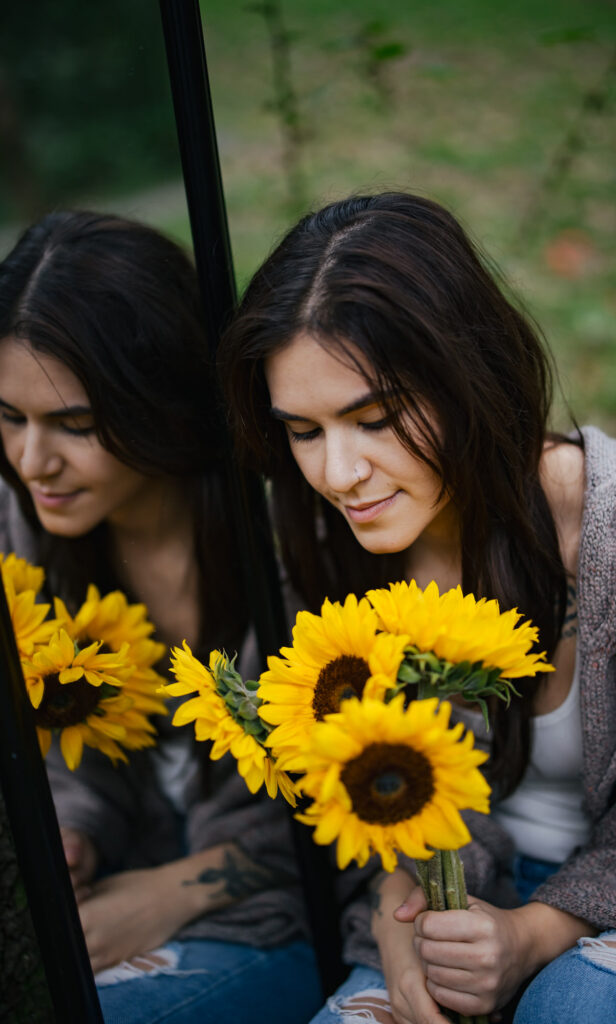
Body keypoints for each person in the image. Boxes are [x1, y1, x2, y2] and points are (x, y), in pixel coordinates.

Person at [220, 192, 616, 1024]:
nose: (336, 473)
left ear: (466, 376)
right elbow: (341, 791)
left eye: (374, 419)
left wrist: (537, 933)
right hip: (440, 920)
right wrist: (397, 924)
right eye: (302, 430)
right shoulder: (327, 556)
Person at [0, 210, 323, 1024]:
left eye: (74, 426)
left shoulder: (299, 548)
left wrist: (177, 890)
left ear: (162, 403)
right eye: (9, 418)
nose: (33, 462)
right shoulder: (23, 536)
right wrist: (72, 836)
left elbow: (352, 815)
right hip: (109, 894)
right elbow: (59, 758)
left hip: (284, 923)